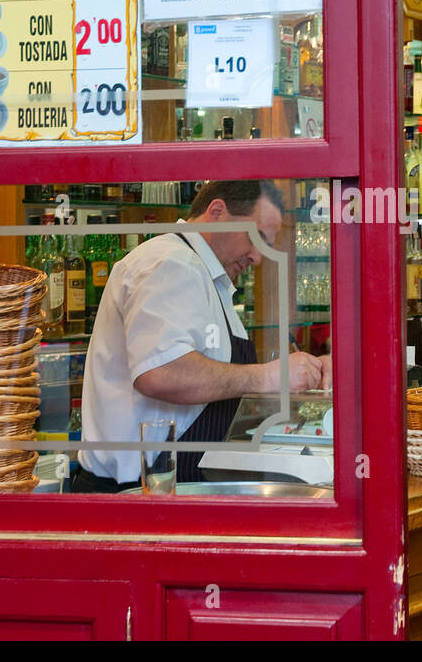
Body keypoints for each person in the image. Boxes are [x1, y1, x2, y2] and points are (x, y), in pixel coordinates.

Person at [75, 180, 324, 491]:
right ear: (217, 211)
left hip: (176, 485)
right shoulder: (171, 262)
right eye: (256, 237)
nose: (257, 257)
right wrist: (268, 377)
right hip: (136, 496)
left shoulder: (206, 276)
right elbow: (160, 373)